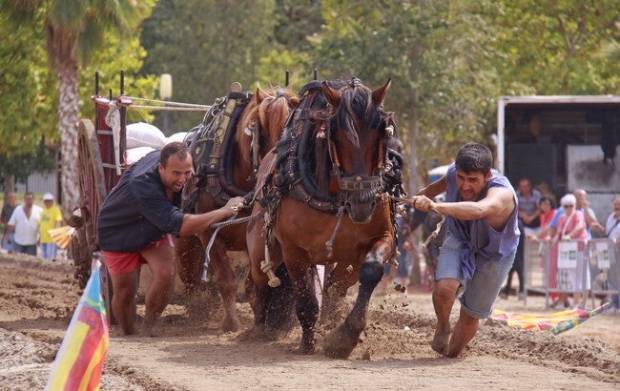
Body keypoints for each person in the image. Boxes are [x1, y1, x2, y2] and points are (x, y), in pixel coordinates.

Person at [97, 142, 245, 336]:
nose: (182, 179)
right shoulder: (142, 186)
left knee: (166, 272)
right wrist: (226, 210)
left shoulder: (169, 160)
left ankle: (149, 327)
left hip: (153, 228)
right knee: (125, 293)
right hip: (118, 231)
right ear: (161, 168)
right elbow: (182, 226)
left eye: (187, 173)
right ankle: (129, 333)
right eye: (176, 173)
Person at [409, 142, 519, 358]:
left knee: (470, 314)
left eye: (473, 180)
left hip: (495, 254)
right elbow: (433, 189)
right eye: (461, 178)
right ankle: (442, 326)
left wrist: (435, 206)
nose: (465, 186)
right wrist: (418, 199)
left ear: (487, 176)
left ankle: (451, 354)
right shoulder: (453, 172)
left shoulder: (503, 194)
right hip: (460, 237)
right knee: (444, 289)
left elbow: (479, 210)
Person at [550, 194, 587, 308]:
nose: (569, 208)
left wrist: (570, 235)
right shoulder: (561, 218)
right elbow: (558, 233)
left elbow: (580, 226)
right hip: (565, 251)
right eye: (566, 206)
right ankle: (562, 301)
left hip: (578, 249)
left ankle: (576, 302)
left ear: (574, 205)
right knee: (564, 275)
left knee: (577, 275)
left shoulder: (578, 214)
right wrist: (553, 242)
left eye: (571, 205)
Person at [604, 195, 620, 310]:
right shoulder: (611, 217)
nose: (616, 206)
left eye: (618, 204)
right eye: (615, 204)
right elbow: (608, 233)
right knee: (612, 279)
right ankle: (615, 304)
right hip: (611, 251)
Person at [39, 193, 63, 261]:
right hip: (43, 238)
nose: (47, 202)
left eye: (49, 200)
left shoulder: (55, 210)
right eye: (46, 201)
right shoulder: (43, 211)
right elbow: (41, 225)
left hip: (51, 239)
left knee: (50, 259)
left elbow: (59, 221)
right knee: (43, 259)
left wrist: (57, 234)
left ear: (52, 201)